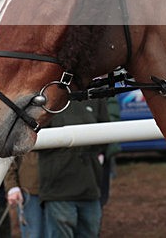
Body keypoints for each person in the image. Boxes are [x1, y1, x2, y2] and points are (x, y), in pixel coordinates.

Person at [39, 99, 109, 238]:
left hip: (90, 187)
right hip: (58, 191)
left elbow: (106, 137)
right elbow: (34, 138)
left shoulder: (96, 98)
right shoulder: (48, 98)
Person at [6, 151, 43, 238]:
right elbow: (7, 158)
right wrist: (12, 186)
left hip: (58, 189)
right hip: (30, 190)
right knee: (33, 234)